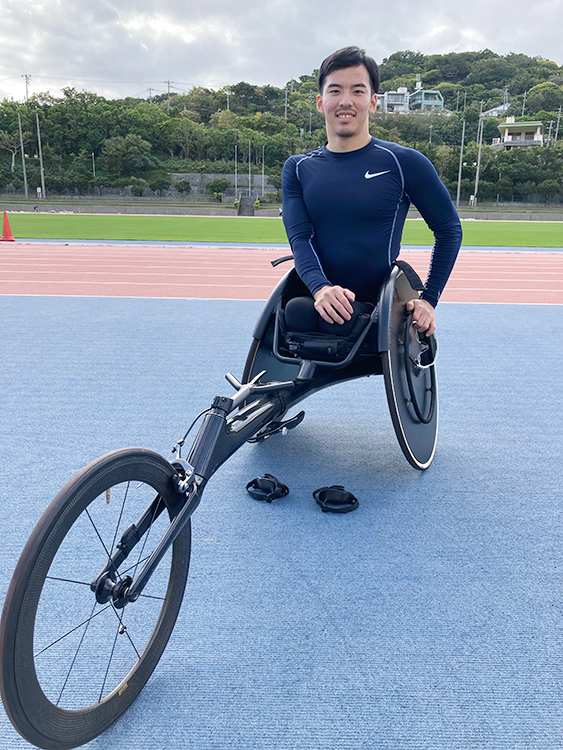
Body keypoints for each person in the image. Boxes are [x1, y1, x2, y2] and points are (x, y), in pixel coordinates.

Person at [282, 46, 462, 337]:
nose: (345, 101)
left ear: (373, 102)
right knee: (297, 313)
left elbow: (449, 229)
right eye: (335, 91)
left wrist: (429, 300)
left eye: (357, 91)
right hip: (318, 296)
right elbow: (300, 238)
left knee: (328, 318)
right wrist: (320, 288)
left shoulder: (403, 162)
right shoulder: (298, 168)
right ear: (320, 101)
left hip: (377, 303)